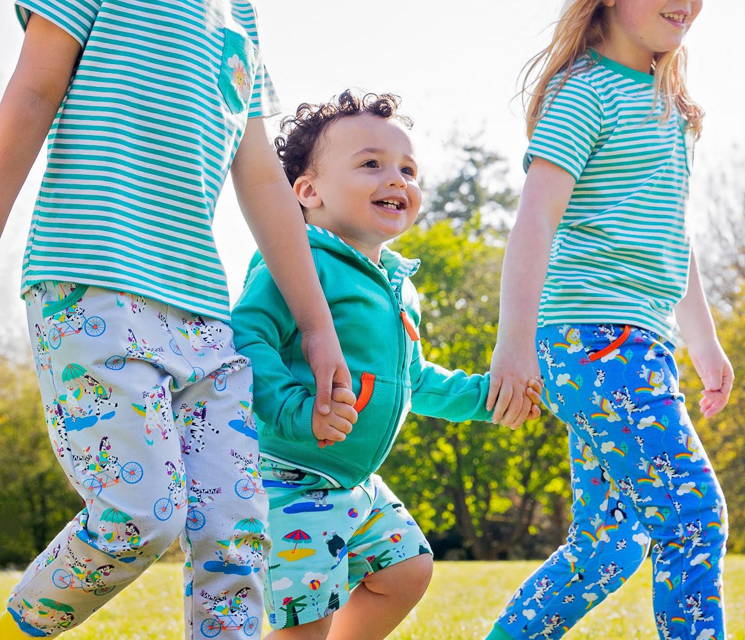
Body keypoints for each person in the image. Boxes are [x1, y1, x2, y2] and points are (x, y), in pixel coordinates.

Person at [0, 2, 352, 637]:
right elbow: (31, 92)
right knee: (139, 517)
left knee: (235, 536)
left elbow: (264, 181)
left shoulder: (239, 16)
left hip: (203, 316)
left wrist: (317, 326)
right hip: (93, 284)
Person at [231, 91, 540, 640]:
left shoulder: (400, 286)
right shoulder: (299, 262)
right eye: (370, 164)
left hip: (356, 482)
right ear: (308, 191)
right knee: (307, 621)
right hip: (289, 478)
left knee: (407, 571)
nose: (396, 179)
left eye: (408, 169)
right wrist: (292, 410)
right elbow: (247, 336)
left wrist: (486, 397)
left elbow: (414, 381)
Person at [484, 2, 732, 639]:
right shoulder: (586, 92)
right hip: (594, 338)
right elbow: (534, 221)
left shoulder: (669, 110)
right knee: (692, 517)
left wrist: (703, 343)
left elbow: (672, 237)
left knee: (608, 547)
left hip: (636, 342)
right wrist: (511, 344)